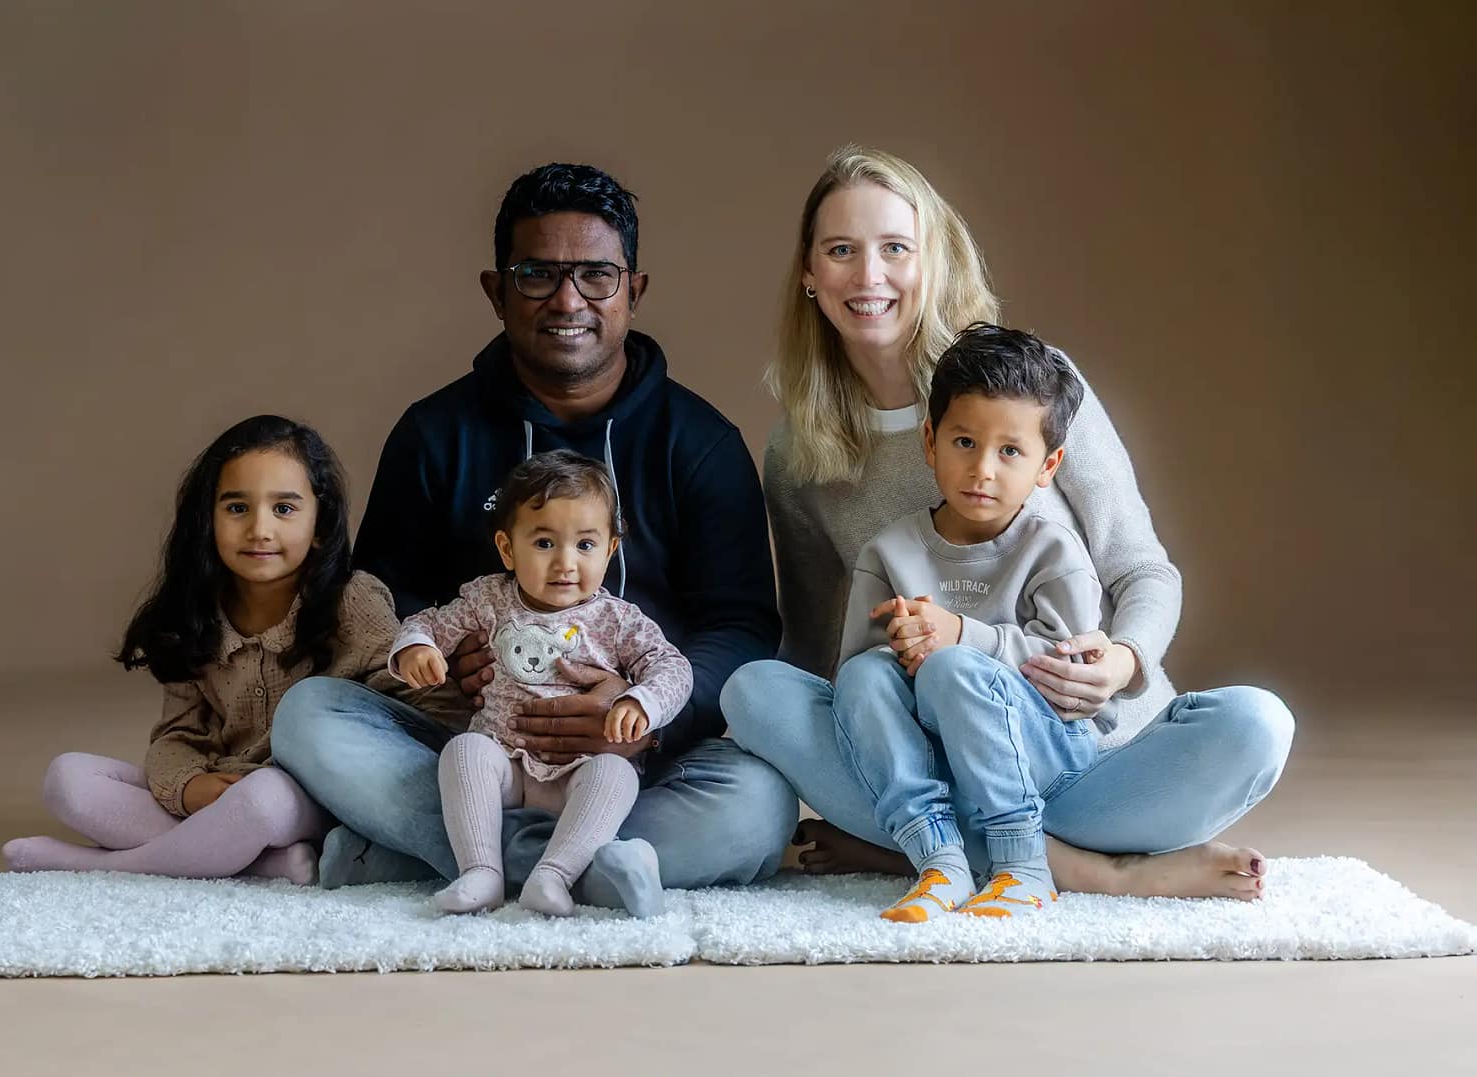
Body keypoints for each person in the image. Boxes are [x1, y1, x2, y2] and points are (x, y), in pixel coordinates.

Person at [722, 146, 1294, 901]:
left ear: (935, 261)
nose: (869, 277)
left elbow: (1141, 568)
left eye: (896, 248)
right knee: (758, 688)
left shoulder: (1031, 387)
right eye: (841, 251)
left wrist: (1124, 661)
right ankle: (1086, 870)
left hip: (1088, 752)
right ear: (808, 272)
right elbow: (819, 645)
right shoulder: (800, 454)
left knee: (1258, 724)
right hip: (936, 767)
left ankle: (936, 853)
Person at [271, 162, 795, 915]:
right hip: (474, 743)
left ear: (634, 291)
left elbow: (743, 626)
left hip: (639, 755)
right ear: (497, 290)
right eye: (536, 274)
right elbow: (380, 594)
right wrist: (448, 663)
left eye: (595, 276)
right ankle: (580, 867)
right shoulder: (435, 434)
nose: (567, 299)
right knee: (309, 715)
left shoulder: (699, 443)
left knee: (759, 808)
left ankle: (428, 853)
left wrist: (639, 715)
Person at [2, 415, 398, 884]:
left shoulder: (353, 600)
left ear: (319, 525)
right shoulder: (195, 615)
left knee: (264, 800)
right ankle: (261, 863)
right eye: (236, 509)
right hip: (225, 792)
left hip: (307, 802)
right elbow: (177, 735)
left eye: (284, 509)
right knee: (67, 779)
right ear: (207, 520)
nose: (259, 530)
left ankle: (101, 866)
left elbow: (405, 708)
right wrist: (191, 789)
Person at [835, 322, 1110, 921]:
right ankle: (941, 860)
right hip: (931, 762)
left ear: (1048, 464)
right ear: (930, 441)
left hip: (1043, 757)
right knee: (831, 679)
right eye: (965, 443)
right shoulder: (888, 553)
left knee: (955, 666)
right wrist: (901, 653)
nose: (983, 469)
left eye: (1010, 451)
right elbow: (858, 686)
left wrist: (960, 637)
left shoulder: (1055, 553)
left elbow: (1073, 686)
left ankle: (1021, 866)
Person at [395, 451, 692, 917]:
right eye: (545, 543)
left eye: (585, 545)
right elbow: (428, 623)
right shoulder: (487, 599)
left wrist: (642, 701)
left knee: (616, 775)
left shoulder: (617, 620)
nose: (566, 563)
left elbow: (671, 666)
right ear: (507, 548)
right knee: (464, 751)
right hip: (504, 765)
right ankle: (481, 871)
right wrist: (417, 648)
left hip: (578, 770)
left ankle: (552, 874)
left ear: (612, 549)